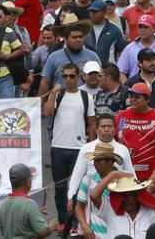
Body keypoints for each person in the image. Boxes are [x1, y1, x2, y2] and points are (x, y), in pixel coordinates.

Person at [44, 62, 96, 227]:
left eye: (71, 76)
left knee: (76, 188)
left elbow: (92, 124)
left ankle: (75, 222)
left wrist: (91, 146)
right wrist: (53, 93)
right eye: (65, 76)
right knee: (60, 188)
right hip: (58, 147)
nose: (68, 79)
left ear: (79, 77)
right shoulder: (58, 95)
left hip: (78, 149)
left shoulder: (85, 97)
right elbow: (47, 112)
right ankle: (63, 221)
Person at [115, 82, 155, 180]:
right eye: (131, 96)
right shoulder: (121, 117)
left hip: (151, 177)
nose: (132, 99)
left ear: (147, 99)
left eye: (137, 97)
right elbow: (112, 143)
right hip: (124, 175)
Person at [87, 172, 155, 238]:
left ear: (138, 195)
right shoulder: (110, 210)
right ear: (119, 197)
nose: (130, 199)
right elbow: (94, 196)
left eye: (132, 195)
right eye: (125, 195)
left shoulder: (150, 211)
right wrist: (114, 174)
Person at [0, 164, 58, 239]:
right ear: (28, 182)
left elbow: (4, 231)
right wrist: (52, 227)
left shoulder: (3, 205)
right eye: (31, 178)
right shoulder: (30, 204)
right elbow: (42, 232)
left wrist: (35, 213)